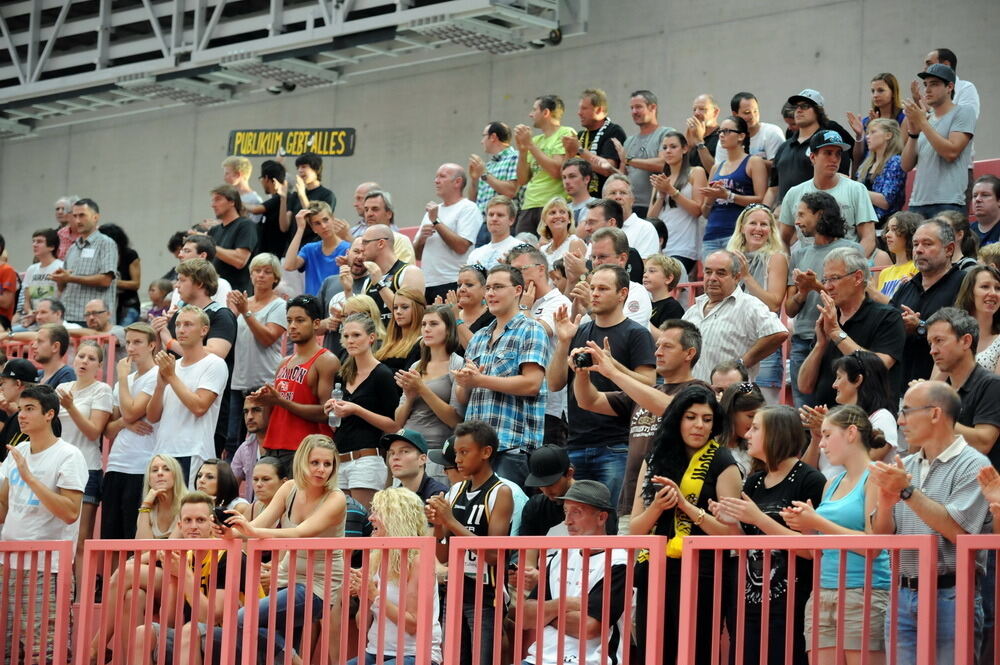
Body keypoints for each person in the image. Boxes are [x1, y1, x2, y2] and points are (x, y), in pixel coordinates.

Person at [870, 381, 989, 665]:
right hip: (902, 594)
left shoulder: (974, 464)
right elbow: (879, 538)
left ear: (935, 414)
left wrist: (907, 493)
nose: (900, 421)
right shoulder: (906, 465)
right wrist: (886, 504)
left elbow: (959, 533)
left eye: (907, 412)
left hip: (951, 594)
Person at [630, 384, 742, 665]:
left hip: (703, 575)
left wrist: (686, 506)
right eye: (691, 417)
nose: (699, 426)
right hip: (655, 572)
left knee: (696, 653)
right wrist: (657, 506)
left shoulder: (724, 462)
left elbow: (732, 534)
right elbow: (635, 529)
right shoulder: (655, 458)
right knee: (653, 654)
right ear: (677, 419)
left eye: (707, 419)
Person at [713, 405, 826, 665]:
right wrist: (732, 523)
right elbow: (746, 543)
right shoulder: (753, 482)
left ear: (776, 433)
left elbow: (812, 550)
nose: (747, 434)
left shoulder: (810, 480)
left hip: (791, 606)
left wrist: (757, 518)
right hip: (749, 603)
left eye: (755, 428)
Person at [780, 405, 891, 665]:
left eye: (828, 435)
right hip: (822, 592)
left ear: (851, 433)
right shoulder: (832, 483)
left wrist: (816, 520)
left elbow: (873, 545)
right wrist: (805, 526)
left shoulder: (875, 477)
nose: (822, 444)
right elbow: (817, 549)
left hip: (863, 591)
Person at [225, 434, 346, 662]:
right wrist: (229, 532)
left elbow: (301, 533)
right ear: (302, 462)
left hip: (317, 585)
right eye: (315, 463)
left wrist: (251, 532)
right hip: (285, 577)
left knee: (244, 619)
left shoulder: (336, 498)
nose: (321, 469)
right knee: (273, 654)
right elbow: (258, 525)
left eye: (327, 464)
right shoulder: (289, 487)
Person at [0, 384, 87, 665]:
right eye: (21, 409)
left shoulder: (69, 455)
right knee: (7, 647)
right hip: (7, 561)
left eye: (30, 409)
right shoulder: (18, 450)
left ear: (50, 414)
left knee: (46, 649)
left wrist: (30, 478)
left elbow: (71, 512)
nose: (21, 416)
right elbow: (3, 506)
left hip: (46, 567)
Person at [129, 490, 255, 665]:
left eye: (201, 520)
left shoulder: (228, 555)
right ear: (180, 526)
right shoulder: (185, 557)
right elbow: (170, 622)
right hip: (192, 639)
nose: (193, 526)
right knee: (144, 633)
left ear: (212, 523)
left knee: (190, 630)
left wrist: (184, 574)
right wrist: (173, 577)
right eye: (188, 520)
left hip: (241, 639)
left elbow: (210, 617)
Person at [425, 420, 514, 665]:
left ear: (486, 452)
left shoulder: (500, 492)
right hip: (453, 591)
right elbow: (442, 556)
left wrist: (450, 521)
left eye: (464, 452)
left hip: (485, 596)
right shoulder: (455, 491)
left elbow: (495, 555)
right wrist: (439, 525)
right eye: (456, 454)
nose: (458, 460)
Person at [456, 265, 550, 487]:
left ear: (518, 290)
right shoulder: (478, 337)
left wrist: (479, 380)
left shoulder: (531, 329)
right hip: (475, 448)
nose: (490, 293)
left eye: (498, 287)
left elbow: (532, 384)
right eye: (488, 288)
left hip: (512, 446)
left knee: (508, 517)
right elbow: (462, 398)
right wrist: (465, 383)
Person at [521, 479, 630, 665]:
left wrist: (546, 616)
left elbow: (588, 628)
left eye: (576, 512)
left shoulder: (618, 562)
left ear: (602, 518)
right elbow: (525, 617)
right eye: (565, 511)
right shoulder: (559, 556)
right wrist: (565, 604)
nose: (567, 521)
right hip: (537, 659)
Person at [796, 246, 905, 407]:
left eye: (834, 278)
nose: (827, 287)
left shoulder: (888, 317)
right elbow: (804, 386)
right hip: (828, 423)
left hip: (868, 423)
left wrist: (835, 332)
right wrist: (820, 345)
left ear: (858, 277)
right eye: (825, 280)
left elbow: (879, 366)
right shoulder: (831, 318)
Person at [347, 487, 444, 665]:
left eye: (378, 512)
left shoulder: (419, 560)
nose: (370, 518)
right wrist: (364, 594)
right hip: (375, 652)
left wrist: (374, 595)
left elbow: (412, 624)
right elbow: (362, 625)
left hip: (416, 655)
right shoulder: (376, 557)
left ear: (397, 519)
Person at [784, 192, 862, 406]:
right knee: (805, 411)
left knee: (837, 407)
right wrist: (803, 291)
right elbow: (790, 310)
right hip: (802, 340)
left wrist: (816, 286)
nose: (797, 221)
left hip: (837, 339)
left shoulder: (852, 250)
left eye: (801, 214)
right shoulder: (799, 254)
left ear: (819, 215)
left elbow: (855, 297)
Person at [158, 258, 238, 456]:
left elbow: (216, 352)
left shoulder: (221, 315)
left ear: (200, 283)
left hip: (206, 418)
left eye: (182, 279)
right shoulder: (177, 317)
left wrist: (169, 342)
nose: (177, 285)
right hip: (172, 418)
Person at [147, 305, 229, 483]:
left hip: (192, 451)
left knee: (187, 510)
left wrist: (171, 376)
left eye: (188, 324)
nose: (181, 330)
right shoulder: (172, 365)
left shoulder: (214, 363)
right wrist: (160, 387)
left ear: (204, 330)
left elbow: (199, 406)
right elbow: (152, 417)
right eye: (177, 324)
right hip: (162, 452)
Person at [325, 313, 398, 509]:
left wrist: (357, 409)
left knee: (361, 522)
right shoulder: (342, 374)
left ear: (371, 338)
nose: (350, 340)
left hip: (367, 458)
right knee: (343, 525)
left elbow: (394, 424)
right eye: (346, 336)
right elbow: (337, 426)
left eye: (356, 335)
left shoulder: (382, 374)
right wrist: (332, 411)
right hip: (340, 457)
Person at [683, 250, 787, 384]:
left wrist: (741, 364)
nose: (712, 278)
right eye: (708, 272)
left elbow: (778, 333)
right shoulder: (693, 310)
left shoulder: (749, 304)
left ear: (737, 277)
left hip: (732, 396)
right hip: (694, 393)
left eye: (721, 273)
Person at [256, 294, 337, 462]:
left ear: (316, 323)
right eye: (289, 320)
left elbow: (327, 412)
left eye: (300, 320)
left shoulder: (326, 361)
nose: (292, 326)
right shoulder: (284, 362)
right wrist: (265, 400)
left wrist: (281, 401)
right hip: (273, 444)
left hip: (305, 449)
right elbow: (275, 410)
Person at [55, 340, 112, 578]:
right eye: (81, 356)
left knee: (80, 538)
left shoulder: (102, 390)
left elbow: (94, 431)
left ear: (99, 365)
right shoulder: (62, 387)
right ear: (73, 359)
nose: (84, 361)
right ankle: (57, 594)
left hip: (86, 468)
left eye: (91, 358)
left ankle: (80, 600)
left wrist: (71, 406)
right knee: (57, 536)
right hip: (58, 468)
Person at [388, 305, 463, 485]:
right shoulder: (416, 366)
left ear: (448, 329)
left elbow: (456, 420)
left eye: (434, 324)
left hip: (435, 452)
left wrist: (422, 389)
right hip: (406, 448)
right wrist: (410, 397)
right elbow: (398, 420)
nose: (427, 329)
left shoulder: (457, 364)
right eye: (424, 324)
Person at [101, 322, 161, 539]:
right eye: (128, 342)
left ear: (152, 345)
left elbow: (131, 412)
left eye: (137, 342)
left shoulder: (155, 375)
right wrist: (125, 424)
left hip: (142, 465)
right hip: (116, 463)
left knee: (132, 534)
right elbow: (108, 429)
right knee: (110, 535)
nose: (131, 348)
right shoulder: (122, 383)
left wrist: (123, 378)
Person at [890, 218, 968, 385]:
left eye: (927, 244)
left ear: (949, 250)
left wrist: (921, 326)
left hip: (945, 391)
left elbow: (966, 333)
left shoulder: (964, 284)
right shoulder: (905, 288)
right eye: (916, 244)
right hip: (901, 388)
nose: (918, 250)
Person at [778, 129, 878, 256]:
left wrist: (849, 266)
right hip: (807, 269)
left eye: (838, 154)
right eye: (828, 153)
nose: (834, 159)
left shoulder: (857, 189)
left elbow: (868, 239)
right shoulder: (794, 193)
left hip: (845, 269)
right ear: (813, 157)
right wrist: (787, 267)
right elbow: (782, 239)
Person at [801, 349, 898, 477]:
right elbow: (805, 474)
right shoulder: (836, 419)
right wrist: (817, 437)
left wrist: (834, 429)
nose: (834, 385)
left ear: (857, 379)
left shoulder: (882, 417)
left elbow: (868, 460)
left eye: (839, 377)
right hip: (827, 493)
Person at [727, 204, 789, 401]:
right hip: (732, 342)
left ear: (771, 231)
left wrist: (746, 276)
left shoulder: (776, 258)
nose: (758, 228)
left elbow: (774, 304)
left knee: (762, 411)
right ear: (742, 228)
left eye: (764, 224)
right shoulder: (729, 258)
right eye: (753, 223)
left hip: (764, 347)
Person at [925, 308, 1000, 463]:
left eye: (939, 341)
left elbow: (983, 443)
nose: (932, 351)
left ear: (966, 341)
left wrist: (932, 413)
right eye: (930, 343)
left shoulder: (992, 385)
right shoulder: (941, 392)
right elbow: (919, 450)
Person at [226, 253, 286, 447]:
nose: (261, 275)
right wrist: (232, 312)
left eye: (267, 272)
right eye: (257, 271)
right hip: (240, 380)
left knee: (265, 438)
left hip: (266, 379)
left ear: (275, 278)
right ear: (250, 275)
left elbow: (267, 338)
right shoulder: (243, 303)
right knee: (233, 440)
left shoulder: (279, 305)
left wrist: (245, 312)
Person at [902, 63, 976, 218]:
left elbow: (951, 152)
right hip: (917, 203)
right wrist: (914, 134)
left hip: (948, 202)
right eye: (925, 85)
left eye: (934, 84)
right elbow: (906, 165)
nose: (927, 90)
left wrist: (922, 122)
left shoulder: (963, 112)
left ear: (949, 87)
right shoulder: (926, 119)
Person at [768, 89, 855, 209]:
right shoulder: (784, 147)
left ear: (818, 111)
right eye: (796, 107)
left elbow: (841, 182)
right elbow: (773, 188)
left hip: (818, 216)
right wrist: (762, 210)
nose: (798, 110)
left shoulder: (831, 144)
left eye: (805, 106)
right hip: (784, 217)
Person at [414, 163, 483, 303]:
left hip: (453, 282)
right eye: (436, 177)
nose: (436, 180)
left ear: (457, 182)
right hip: (427, 283)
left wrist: (436, 222)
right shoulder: (433, 211)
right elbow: (417, 254)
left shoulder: (468, 208)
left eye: (442, 176)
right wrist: (421, 239)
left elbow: (462, 247)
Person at [700, 115, 767, 256]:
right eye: (720, 132)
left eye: (727, 131)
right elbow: (705, 212)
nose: (722, 135)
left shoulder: (754, 162)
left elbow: (761, 200)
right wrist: (710, 200)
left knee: (737, 276)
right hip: (711, 235)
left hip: (737, 234)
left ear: (741, 136)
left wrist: (728, 195)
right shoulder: (716, 168)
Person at [513, 94, 577, 235]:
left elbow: (556, 171)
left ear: (546, 112)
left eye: (534, 110)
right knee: (522, 252)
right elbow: (523, 180)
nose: (530, 114)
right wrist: (523, 151)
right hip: (529, 204)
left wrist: (529, 145)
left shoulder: (566, 133)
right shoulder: (535, 140)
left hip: (552, 205)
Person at [49, 198, 118, 325]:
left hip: (93, 319)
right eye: (74, 216)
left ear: (96, 217)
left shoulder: (106, 243)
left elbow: (106, 280)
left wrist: (70, 278)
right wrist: (60, 279)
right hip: (68, 315)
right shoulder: (72, 248)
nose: (77, 221)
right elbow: (64, 284)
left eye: (82, 215)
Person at [649, 131, 708, 272]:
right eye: (664, 148)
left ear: (685, 149)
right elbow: (650, 218)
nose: (668, 151)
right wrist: (662, 195)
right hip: (661, 246)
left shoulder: (695, 172)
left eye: (673, 146)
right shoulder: (661, 179)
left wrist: (671, 191)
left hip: (684, 247)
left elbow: (698, 210)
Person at [610, 90, 671, 218]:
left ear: (653, 107)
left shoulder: (666, 134)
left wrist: (629, 160)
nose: (634, 112)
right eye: (631, 108)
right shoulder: (629, 141)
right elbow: (623, 175)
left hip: (656, 206)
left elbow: (664, 163)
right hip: (630, 207)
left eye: (638, 107)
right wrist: (607, 167)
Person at [563, 88, 627, 197]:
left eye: (584, 108)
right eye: (579, 108)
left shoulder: (613, 131)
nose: (579, 113)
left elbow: (607, 168)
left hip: (604, 201)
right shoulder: (580, 136)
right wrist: (569, 154)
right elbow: (565, 172)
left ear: (599, 110)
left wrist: (580, 150)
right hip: (580, 201)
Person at [360, 222, 424, 325]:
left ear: (381, 243)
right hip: (379, 340)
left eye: (365, 242)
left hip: (403, 340)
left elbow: (409, 315)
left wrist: (379, 284)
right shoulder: (368, 281)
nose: (361, 248)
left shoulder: (410, 272)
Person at [283, 201, 351, 296]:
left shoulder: (348, 248)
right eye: (317, 223)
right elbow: (288, 266)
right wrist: (300, 228)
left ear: (333, 219)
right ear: (313, 228)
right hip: (312, 306)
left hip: (337, 305)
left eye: (325, 220)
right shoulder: (309, 249)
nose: (323, 226)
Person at [846, 72, 907, 169]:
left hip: (889, 172)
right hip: (867, 170)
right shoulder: (867, 121)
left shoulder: (903, 118)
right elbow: (858, 158)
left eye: (880, 90)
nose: (875, 95)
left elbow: (900, 151)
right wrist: (859, 136)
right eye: (873, 91)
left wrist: (880, 131)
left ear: (893, 93)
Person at [205, 184, 258, 293]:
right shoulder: (214, 231)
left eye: (218, 200)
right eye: (212, 201)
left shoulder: (246, 225)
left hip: (236, 294)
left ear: (232, 202)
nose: (213, 205)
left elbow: (240, 260)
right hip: (213, 293)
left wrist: (208, 244)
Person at [855, 118, 906, 227]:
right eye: (867, 133)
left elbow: (886, 202)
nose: (867, 137)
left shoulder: (895, 161)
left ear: (888, 135)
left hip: (886, 224)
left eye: (873, 132)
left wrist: (855, 189)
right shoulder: (867, 163)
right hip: (864, 220)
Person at [467, 121, 519, 224]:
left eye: (484, 136)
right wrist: (474, 179)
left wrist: (485, 174)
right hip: (482, 224)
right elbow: (472, 201)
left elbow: (511, 191)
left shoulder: (516, 157)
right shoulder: (488, 166)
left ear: (493, 137)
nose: (482, 141)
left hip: (504, 224)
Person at [718, 92, 787, 167]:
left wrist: (743, 161)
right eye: (747, 112)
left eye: (755, 111)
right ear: (735, 114)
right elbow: (719, 169)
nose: (752, 116)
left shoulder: (772, 132)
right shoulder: (726, 138)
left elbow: (777, 166)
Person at [12, 228, 62, 331]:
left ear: (51, 247)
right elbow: (27, 300)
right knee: (10, 334)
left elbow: (61, 296)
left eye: (39, 242)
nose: (34, 244)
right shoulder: (31, 269)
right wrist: (30, 312)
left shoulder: (60, 266)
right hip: (34, 320)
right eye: (33, 241)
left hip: (53, 320)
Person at [381, 429, 448, 502]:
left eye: (404, 451)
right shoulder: (392, 497)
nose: (395, 457)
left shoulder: (437, 495)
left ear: (422, 459)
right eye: (392, 453)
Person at [285, 151, 337, 244]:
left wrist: (302, 195)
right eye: (298, 168)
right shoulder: (294, 195)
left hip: (314, 245)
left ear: (316, 169)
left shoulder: (327, 195)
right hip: (293, 246)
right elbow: (284, 227)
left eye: (304, 166)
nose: (300, 170)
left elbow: (316, 218)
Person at [955, 266, 1000, 372]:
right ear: (970, 292)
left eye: (998, 288)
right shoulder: (952, 335)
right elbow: (936, 382)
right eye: (985, 286)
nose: (993, 293)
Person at [717, 381, 766, 476]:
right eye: (751, 416)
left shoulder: (755, 447)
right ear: (731, 413)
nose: (755, 422)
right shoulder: (710, 444)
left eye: (760, 417)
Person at [230, 392, 272, 501]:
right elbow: (228, 488)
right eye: (245, 412)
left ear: (272, 412)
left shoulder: (284, 449)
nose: (249, 417)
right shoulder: (244, 448)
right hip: (251, 515)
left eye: (256, 410)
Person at [374, 287, 426, 373]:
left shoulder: (421, 344)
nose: (398, 311)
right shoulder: (388, 343)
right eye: (395, 307)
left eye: (404, 307)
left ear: (418, 309)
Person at [99, 223, 142, 325]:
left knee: (122, 334)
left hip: (127, 305)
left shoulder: (129, 254)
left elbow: (136, 284)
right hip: (108, 304)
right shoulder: (101, 256)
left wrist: (108, 281)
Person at [875, 211, 921, 301]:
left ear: (909, 234)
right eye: (888, 230)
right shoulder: (884, 273)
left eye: (894, 229)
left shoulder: (917, 267)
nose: (887, 235)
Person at [0, 359, 42, 452]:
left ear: (18, 384)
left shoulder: (42, 417)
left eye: (3, 383)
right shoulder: (14, 417)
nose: (1, 388)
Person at [467, 195, 521, 268]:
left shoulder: (520, 249)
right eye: (491, 215)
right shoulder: (475, 254)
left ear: (511, 220)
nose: (494, 218)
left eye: (500, 215)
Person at [643, 255, 684, 338]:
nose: (645, 275)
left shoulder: (673, 307)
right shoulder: (646, 304)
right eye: (645, 271)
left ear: (668, 279)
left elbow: (666, 339)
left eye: (651, 271)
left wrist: (642, 319)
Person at [537, 196, 584, 263]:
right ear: (545, 221)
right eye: (553, 213)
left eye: (562, 212)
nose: (558, 216)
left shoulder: (575, 243)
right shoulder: (543, 250)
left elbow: (576, 272)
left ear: (569, 219)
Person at [560, 158, 598, 223]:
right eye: (564, 177)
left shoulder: (598, 207)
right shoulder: (561, 210)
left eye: (572, 176)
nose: (566, 182)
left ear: (586, 179)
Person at [972, 175, 1000, 246]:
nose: (977, 199)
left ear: (999, 201)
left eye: (985, 195)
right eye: (975, 196)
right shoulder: (967, 231)